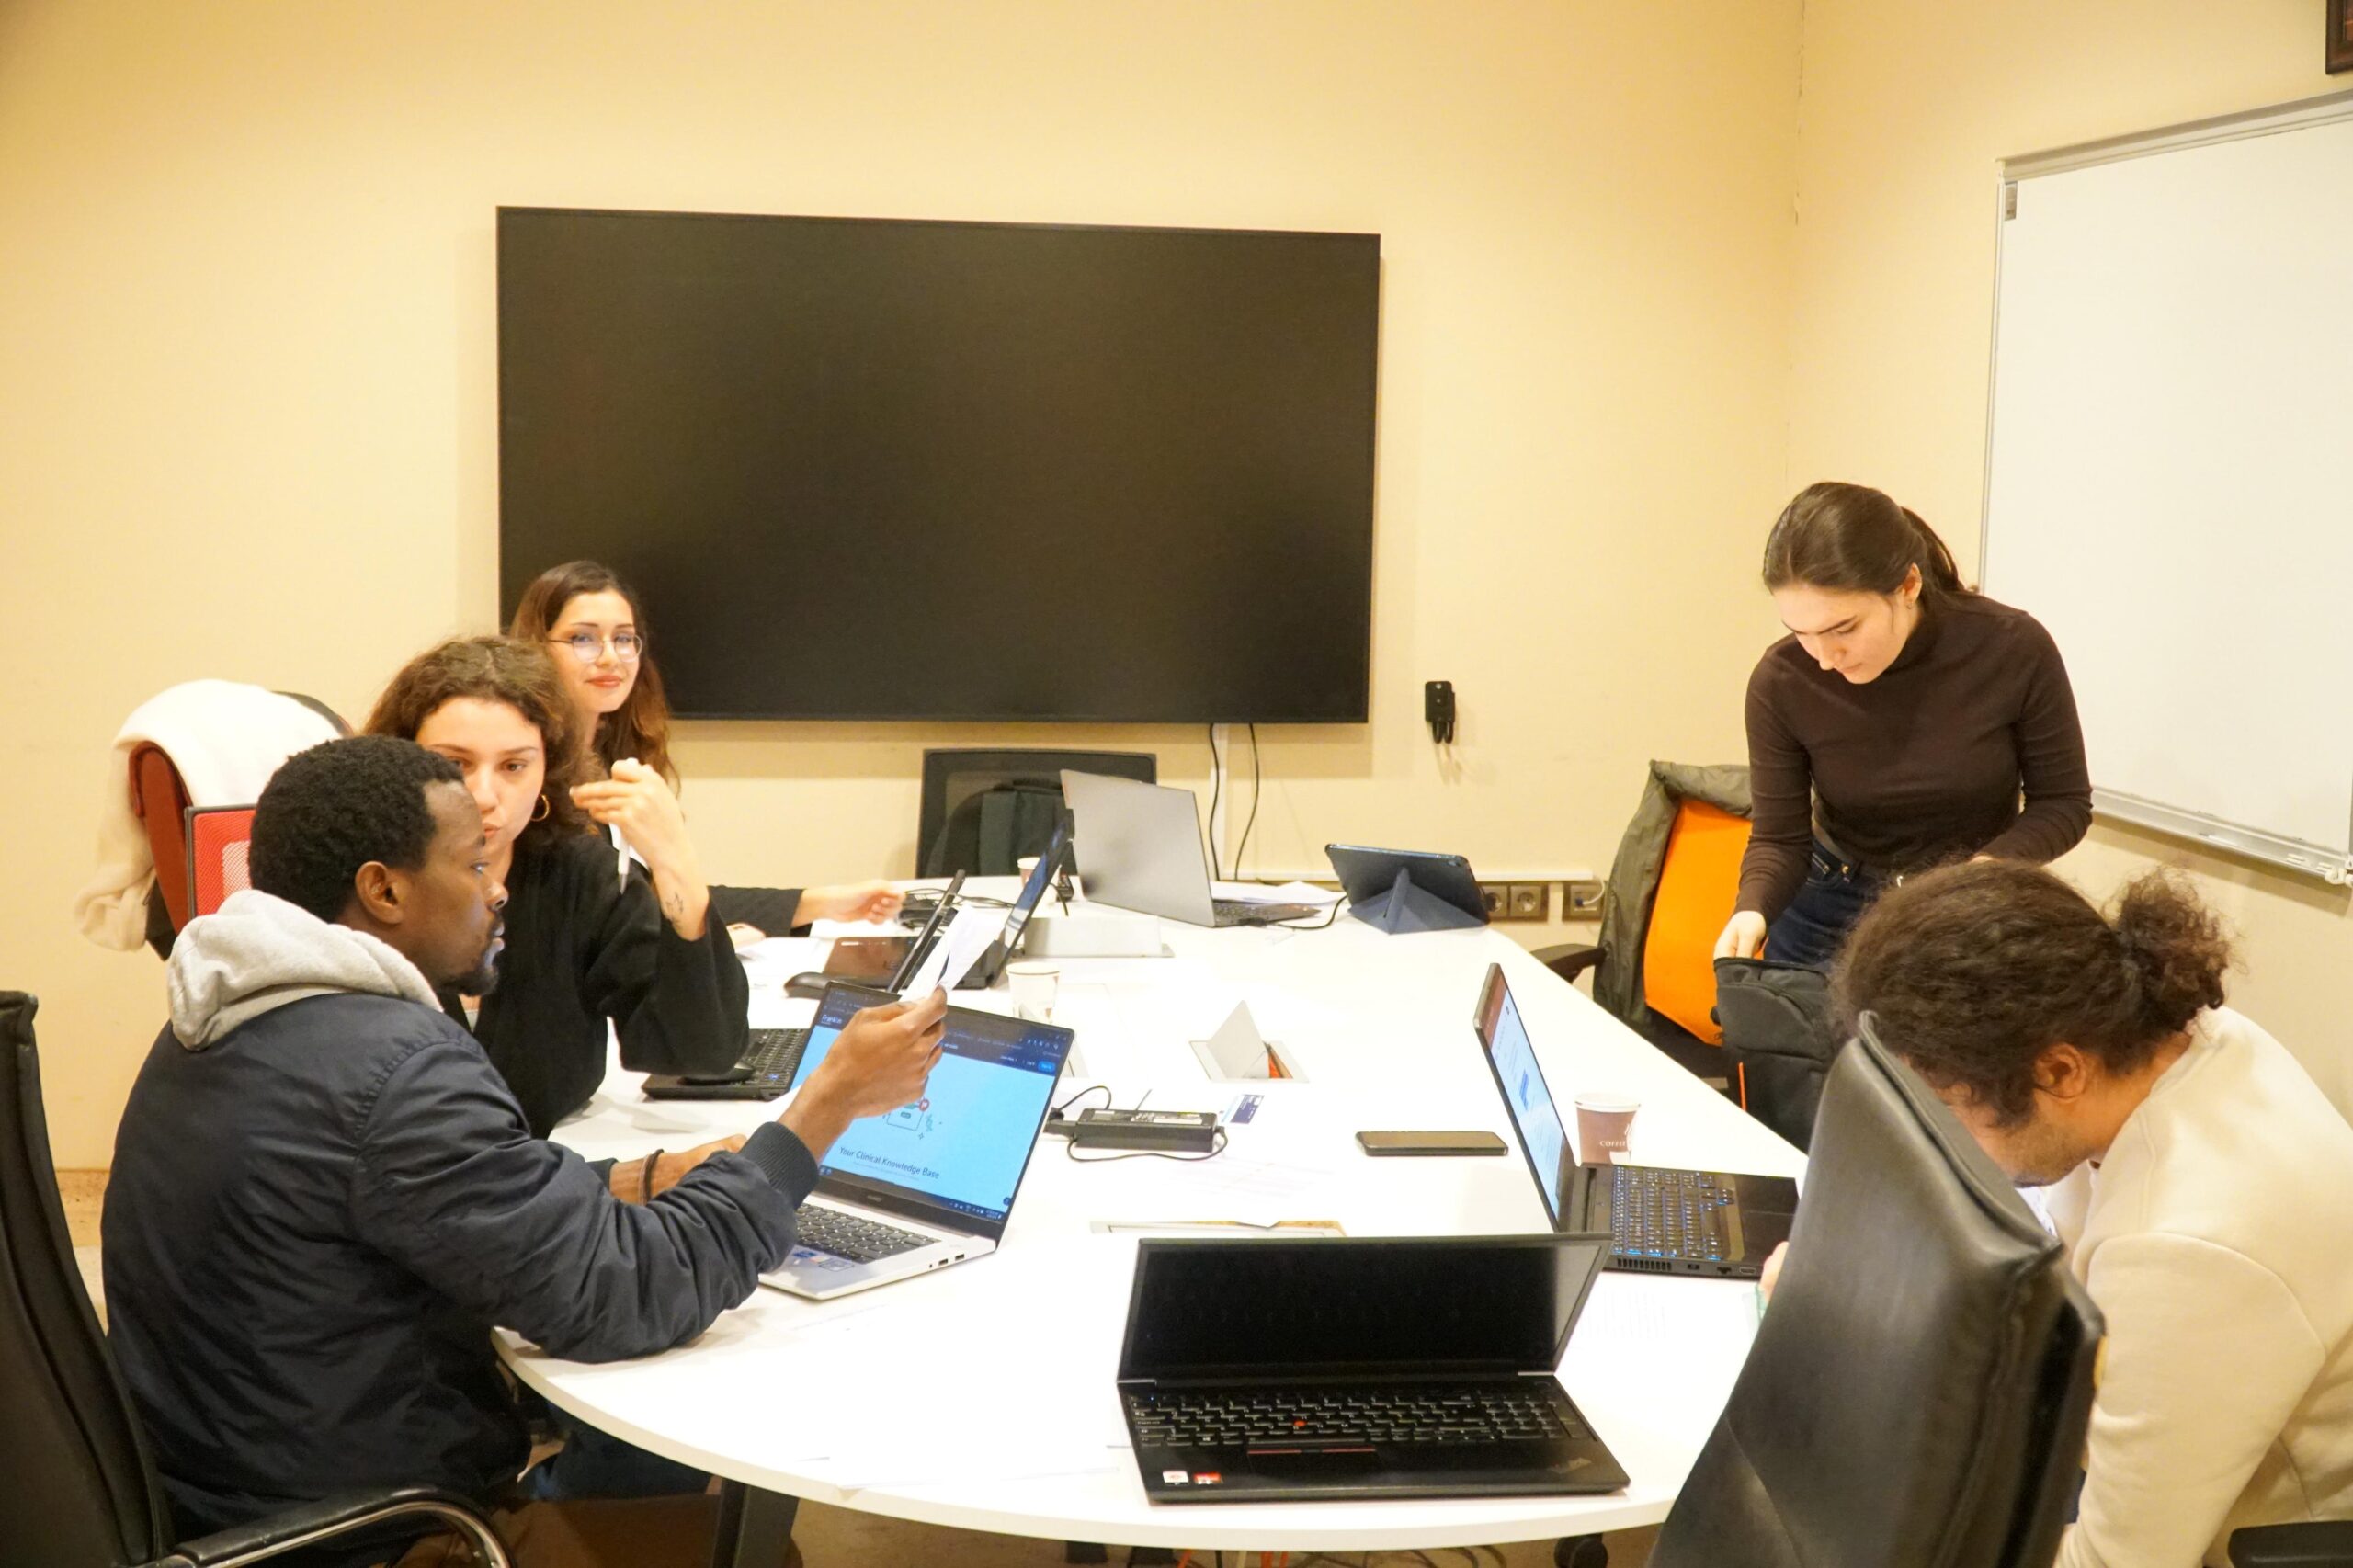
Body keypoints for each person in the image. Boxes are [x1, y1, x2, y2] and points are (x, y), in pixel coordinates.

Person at [101, 735, 949, 1568]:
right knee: (757, 1552)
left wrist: (640, 1178)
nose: (497, 888)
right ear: (383, 890)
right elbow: (628, 1295)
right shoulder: (397, 1071)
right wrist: (822, 1113)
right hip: (371, 1538)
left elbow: (415, 1190)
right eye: (474, 865)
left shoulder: (225, 1017)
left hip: (227, 1497)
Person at [1831, 859, 2353, 1568]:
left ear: (2059, 1072)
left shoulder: (2187, 1246)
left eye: (1949, 1110)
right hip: (2131, 1438)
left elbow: (2114, 1562)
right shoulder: (2178, 1042)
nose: (1942, 1141)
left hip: (2238, 1537)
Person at [365, 636, 740, 1137]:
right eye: (455, 765)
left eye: (514, 766)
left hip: (556, 1164)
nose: (484, 795)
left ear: (548, 770)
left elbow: (696, 1052)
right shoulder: (358, 885)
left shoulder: (582, 875)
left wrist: (676, 863)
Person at [1713, 482, 2092, 968]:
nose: (1825, 658)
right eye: (1801, 633)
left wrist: (1984, 872)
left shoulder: (2012, 647)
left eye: (1844, 628)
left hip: (1972, 906)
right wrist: (1751, 910)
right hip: (1830, 906)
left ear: (1908, 586)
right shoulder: (1782, 679)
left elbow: (2063, 803)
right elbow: (1780, 839)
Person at [508, 558, 898, 939]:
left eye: (623, 639)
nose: (610, 657)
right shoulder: (525, 775)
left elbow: (658, 895)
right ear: (537, 648)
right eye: (583, 639)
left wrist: (823, 903)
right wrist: (692, 947)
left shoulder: (616, 760)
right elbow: (583, 925)